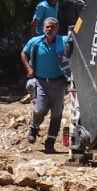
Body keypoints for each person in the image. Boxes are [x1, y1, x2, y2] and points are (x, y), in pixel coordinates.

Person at [22, 17, 69, 152]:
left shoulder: (63, 41)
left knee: (56, 113)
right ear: (43, 28)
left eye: (53, 27)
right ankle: (34, 128)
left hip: (58, 82)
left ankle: (50, 143)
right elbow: (23, 53)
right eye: (47, 27)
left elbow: (76, 43)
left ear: (57, 29)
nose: (50, 29)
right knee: (40, 109)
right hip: (41, 82)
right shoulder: (35, 42)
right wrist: (28, 69)